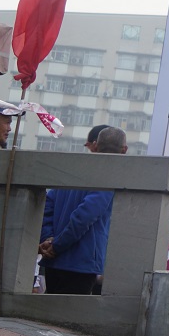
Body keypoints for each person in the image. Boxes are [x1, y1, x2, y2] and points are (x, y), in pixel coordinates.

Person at [38, 125, 127, 295]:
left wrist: (47, 240)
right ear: (124, 150)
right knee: (69, 311)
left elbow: (47, 206)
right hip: (80, 263)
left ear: (95, 146)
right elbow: (84, 217)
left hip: (53, 260)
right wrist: (57, 245)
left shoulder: (72, 170)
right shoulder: (109, 176)